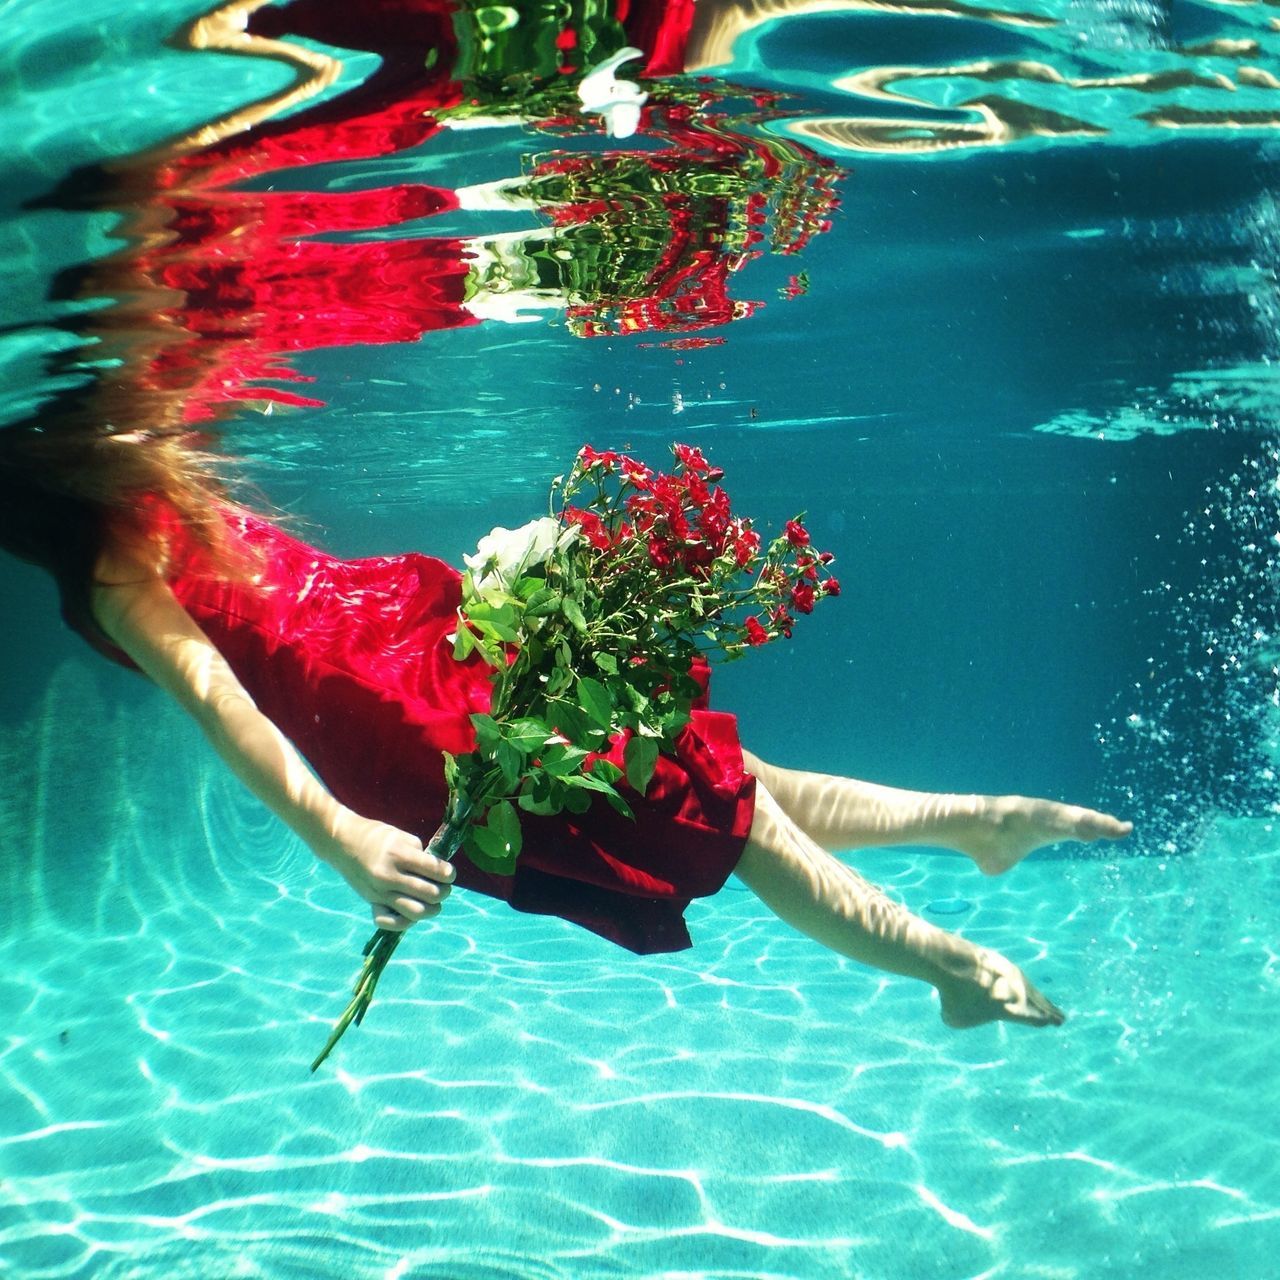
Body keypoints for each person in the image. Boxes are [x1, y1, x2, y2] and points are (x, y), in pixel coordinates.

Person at [0, 423, 1131, 1032]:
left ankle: (956, 959)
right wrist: (337, 832)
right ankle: (976, 833)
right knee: (718, 789)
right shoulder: (135, 512)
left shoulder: (118, 530)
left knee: (718, 801)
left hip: (410, 695)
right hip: (417, 665)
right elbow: (222, 696)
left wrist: (341, 831)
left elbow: (223, 695)